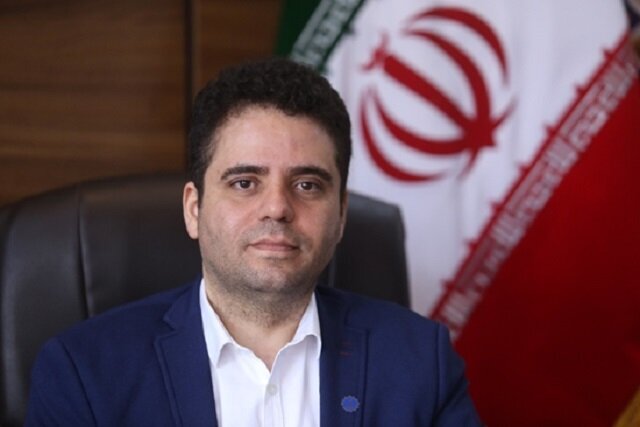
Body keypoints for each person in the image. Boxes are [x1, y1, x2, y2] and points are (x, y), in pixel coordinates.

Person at [25, 57, 482, 426]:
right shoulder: (84, 372)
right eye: (245, 183)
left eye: (307, 185)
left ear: (341, 214)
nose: (277, 207)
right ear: (194, 209)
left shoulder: (421, 361)